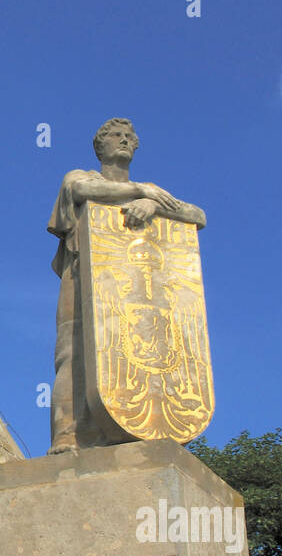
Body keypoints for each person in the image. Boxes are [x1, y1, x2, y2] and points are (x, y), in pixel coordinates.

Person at [47, 118, 206, 453]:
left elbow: (197, 216)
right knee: (72, 353)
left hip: (132, 294)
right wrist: (140, 192)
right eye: (115, 135)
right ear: (99, 146)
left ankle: (132, 427)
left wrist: (153, 204)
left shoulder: (152, 195)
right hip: (81, 279)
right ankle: (68, 435)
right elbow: (82, 192)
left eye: (130, 137)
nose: (123, 140)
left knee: (134, 353)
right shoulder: (81, 177)